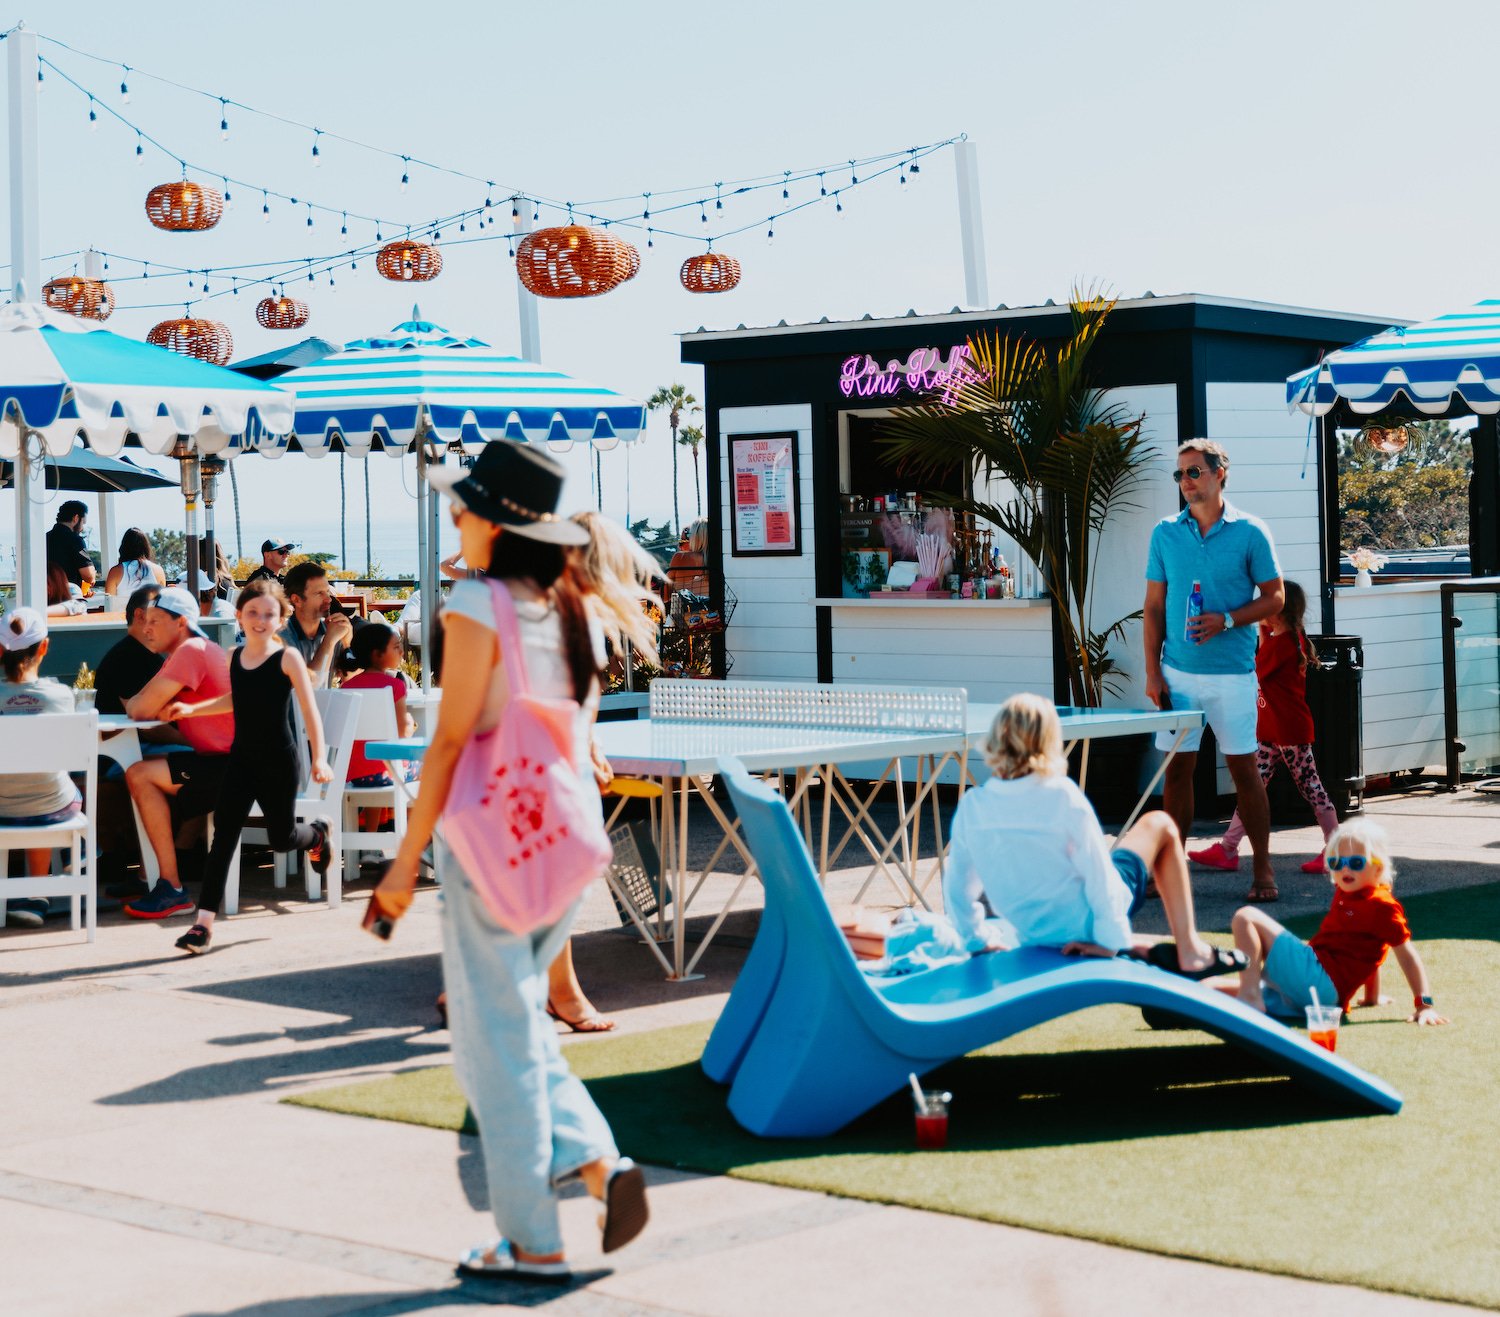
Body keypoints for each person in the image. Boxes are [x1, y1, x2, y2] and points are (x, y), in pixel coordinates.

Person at [371, 441, 648, 1281]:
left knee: (492, 1051)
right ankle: (598, 1163)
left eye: (465, 506)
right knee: (516, 1025)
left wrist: (401, 866)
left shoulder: (477, 603)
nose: (456, 517)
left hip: (491, 847)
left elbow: (451, 739)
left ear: (499, 522)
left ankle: (533, 1240)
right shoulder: (579, 608)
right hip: (566, 840)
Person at [944, 693, 1244, 979]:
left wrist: (975, 939)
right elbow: (1099, 876)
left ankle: (1141, 946)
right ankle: (1191, 951)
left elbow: (957, 888)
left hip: (1032, 933)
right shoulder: (1061, 797)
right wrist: (1109, 941)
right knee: (1160, 824)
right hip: (1083, 926)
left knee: (1103, 863)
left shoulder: (973, 805)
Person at [1143, 439, 1285, 903]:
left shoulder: (1251, 532)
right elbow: (1153, 608)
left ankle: (1262, 871)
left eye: (1194, 473)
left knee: (1245, 771)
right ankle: (1171, 870)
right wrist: (1152, 673)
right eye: (1179, 475)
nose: (1185, 482)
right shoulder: (1165, 533)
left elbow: (1275, 599)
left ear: (1220, 473)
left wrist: (1226, 619)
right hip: (1178, 675)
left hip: (1232, 675)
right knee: (1177, 773)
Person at [164, 580, 333, 955]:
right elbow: (235, 699)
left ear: (280, 618)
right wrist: (192, 708)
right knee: (223, 836)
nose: (260, 620)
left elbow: (309, 711)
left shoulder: (287, 659)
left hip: (278, 762)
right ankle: (202, 926)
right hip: (241, 760)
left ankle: (317, 835)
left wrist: (319, 758)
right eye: (252, 613)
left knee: (282, 839)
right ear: (238, 615)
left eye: (268, 614)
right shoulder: (232, 656)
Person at [1188, 581, 1339, 887]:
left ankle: (1336, 851)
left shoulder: (1280, 646)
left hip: (1288, 732)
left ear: (1277, 612)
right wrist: (1262, 629)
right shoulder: (1286, 640)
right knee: (1252, 787)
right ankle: (1228, 848)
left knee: (1312, 788)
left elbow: (1253, 670)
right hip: (1272, 731)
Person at [1229, 818, 1448, 1025]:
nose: (1345, 869)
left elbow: (1407, 954)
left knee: (1246, 916)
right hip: (1321, 994)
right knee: (1212, 989)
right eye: (1336, 862)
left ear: (1378, 868)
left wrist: (1424, 1005)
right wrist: (1372, 996)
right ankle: (1249, 994)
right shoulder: (1345, 892)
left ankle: (1250, 997)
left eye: (1355, 862)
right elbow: (1368, 947)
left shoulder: (1381, 904)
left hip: (1320, 979)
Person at [121, 587, 235, 919]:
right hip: (225, 762)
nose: (147, 628)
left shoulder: (191, 651)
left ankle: (169, 886)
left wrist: (152, 705)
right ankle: (159, 879)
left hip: (234, 767)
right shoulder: (192, 650)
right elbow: (144, 705)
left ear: (181, 622)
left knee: (139, 774)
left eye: (156, 620)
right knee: (145, 771)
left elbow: (139, 708)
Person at [0, 609, 81, 929]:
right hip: (52, 807)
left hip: (1, 805)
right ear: (44, 647)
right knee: (55, 783)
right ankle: (37, 894)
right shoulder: (62, 696)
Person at [341, 621, 416, 788]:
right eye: (396, 647)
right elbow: (403, 732)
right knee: (428, 766)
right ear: (377, 654)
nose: (402, 652)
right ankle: (412, 814)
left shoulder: (346, 687)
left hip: (355, 774)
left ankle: (371, 816)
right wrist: (411, 724)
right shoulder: (395, 686)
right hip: (387, 772)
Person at [280, 561, 354, 688]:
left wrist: (347, 644)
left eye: (327, 591)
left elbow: (353, 680)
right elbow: (309, 688)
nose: (329, 599)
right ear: (297, 600)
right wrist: (329, 641)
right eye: (319, 593)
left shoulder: (330, 628)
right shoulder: (281, 639)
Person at [95, 585, 165, 715]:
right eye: (162, 613)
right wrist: (185, 736)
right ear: (140, 615)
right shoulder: (126, 659)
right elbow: (145, 725)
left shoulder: (148, 655)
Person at [104, 527, 166, 606]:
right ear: (146, 547)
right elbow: (161, 603)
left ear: (124, 547)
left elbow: (109, 603)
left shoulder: (115, 572)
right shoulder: (158, 570)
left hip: (122, 617)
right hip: (150, 617)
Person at [46, 499, 96, 589]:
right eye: (83, 523)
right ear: (76, 518)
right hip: (68, 596)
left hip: (45, 595)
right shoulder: (75, 540)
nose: (82, 528)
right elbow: (89, 576)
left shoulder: (44, 538)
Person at [664, 518, 709, 596]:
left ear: (694, 537)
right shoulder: (720, 560)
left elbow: (665, 596)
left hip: (684, 607)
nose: (679, 546)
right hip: (713, 607)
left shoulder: (680, 557)